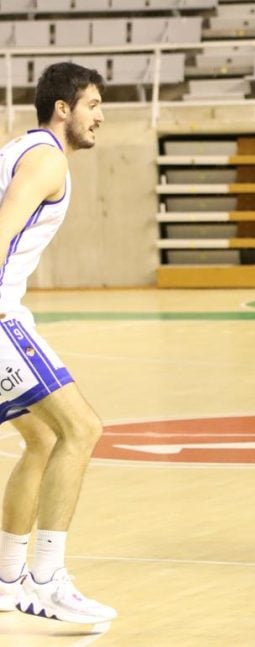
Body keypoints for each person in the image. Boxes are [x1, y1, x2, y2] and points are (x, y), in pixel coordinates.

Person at [0, 62, 116, 624]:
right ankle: (47, 579)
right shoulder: (46, 159)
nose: (99, 118)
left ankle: (6, 581)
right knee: (82, 428)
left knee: (43, 438)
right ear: (63, 109)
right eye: (93, 105)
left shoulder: (17, 148)